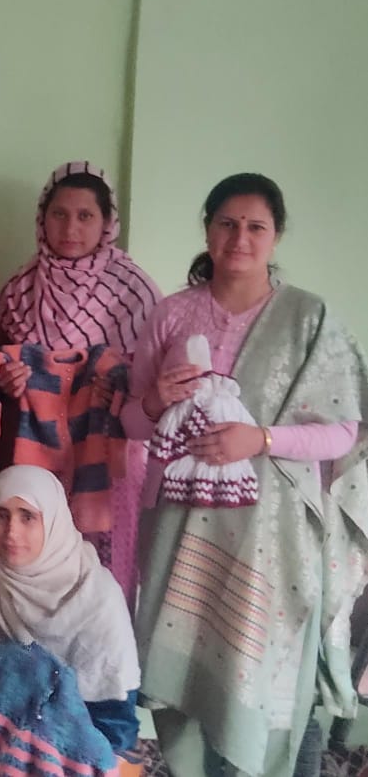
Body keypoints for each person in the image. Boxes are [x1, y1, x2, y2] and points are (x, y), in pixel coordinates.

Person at [123, 173, 368, 777]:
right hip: (181, 528)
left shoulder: (309, 318)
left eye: (256, 226)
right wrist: (155, 399)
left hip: (271, 538)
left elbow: (343, 431)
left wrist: (259, 439)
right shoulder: (172, 313)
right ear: (207, 230)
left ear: (276, 235)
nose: (240, 238)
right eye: (227, 223)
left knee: (263, 682)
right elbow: (131, 423)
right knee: (184, 673)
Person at [0, 160, 160, 595]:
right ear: (42, 218)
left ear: (107, 223)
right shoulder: (22, 289)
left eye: (85, 216)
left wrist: (119, 384)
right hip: (37, 446)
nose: (70, 228)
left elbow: (154, 376)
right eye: (59, 214)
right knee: (36, 554)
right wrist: (10, 381)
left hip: (107, 450)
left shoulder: (134, 290)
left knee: (103, 568)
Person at [0, 465, 140, 763]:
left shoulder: (96, 595)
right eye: (1, 515)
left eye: (28, 517)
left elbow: (116, 722)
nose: (12, 532)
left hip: (73, 750)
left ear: (54, 522)